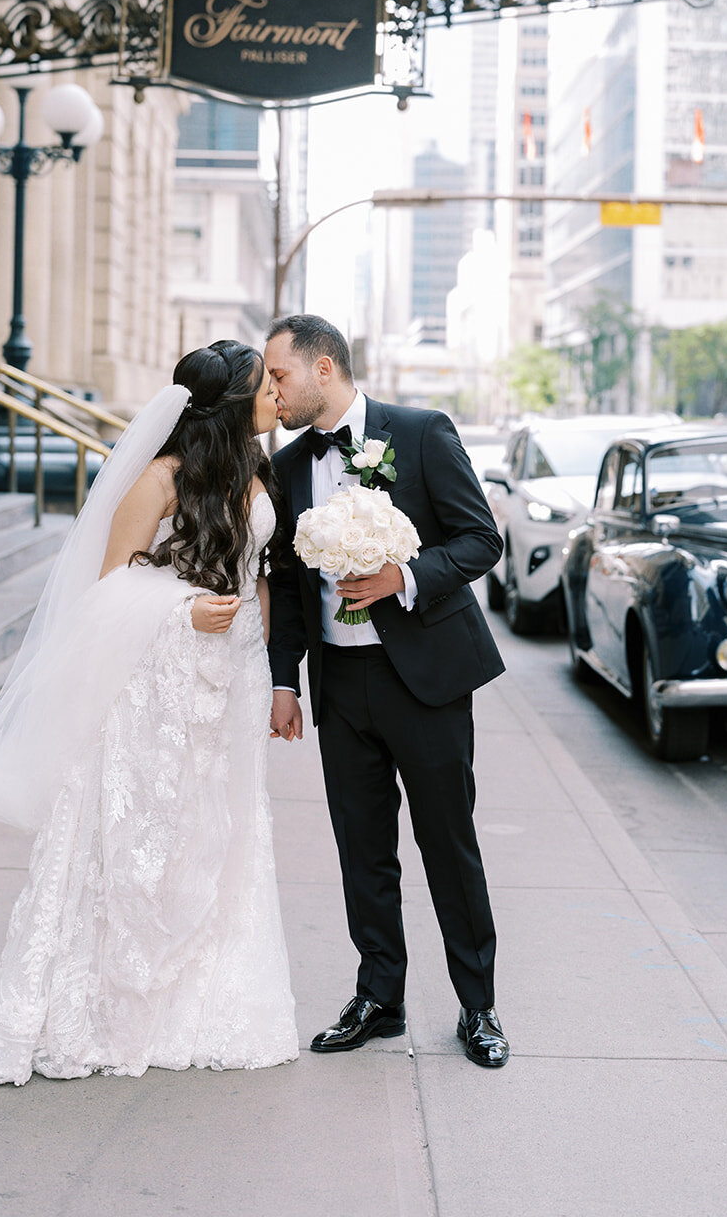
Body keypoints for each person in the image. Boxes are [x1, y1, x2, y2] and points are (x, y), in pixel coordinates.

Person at [0, 341, 300, 1086]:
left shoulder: (260, 472)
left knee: (222, 829)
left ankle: (200, 1006)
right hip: (155, 683)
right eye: (266, 382)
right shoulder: (160, 477)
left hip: (233, 673)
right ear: (234, 401)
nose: (279, 390)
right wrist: (185, 614)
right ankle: (112, 1009)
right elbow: (107, 590)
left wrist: (259, 644)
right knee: (141, 833)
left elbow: (260, 569)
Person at [264, 314, 510, 1069]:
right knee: (363, 851)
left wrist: (403, 576)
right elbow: (285, 579)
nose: (272, 392)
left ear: (325, 368)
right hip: (342, 688)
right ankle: (380, 997)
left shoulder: (423, 431)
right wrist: (285, 679)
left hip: (427, 682)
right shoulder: (290, 463)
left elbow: (480, 540)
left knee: (448, 846)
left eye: (280, 376)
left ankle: (479, 1008)